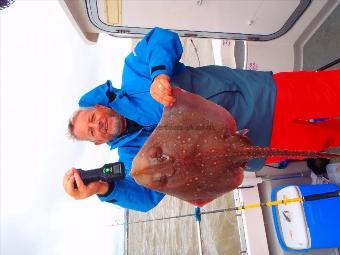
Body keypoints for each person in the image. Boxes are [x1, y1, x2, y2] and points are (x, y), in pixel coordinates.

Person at [63, 27, 340, 212]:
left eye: (92, 117)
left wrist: (160, 73)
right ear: (98, 141)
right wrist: (103, 187)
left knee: (331, 92)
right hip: (258, 145)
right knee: (327, 139)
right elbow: (147, 197)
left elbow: (162, 38)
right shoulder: (131, 157)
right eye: (91, 131)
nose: (96, 125)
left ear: (99, 106)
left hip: (260, 96)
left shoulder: (134, 74)